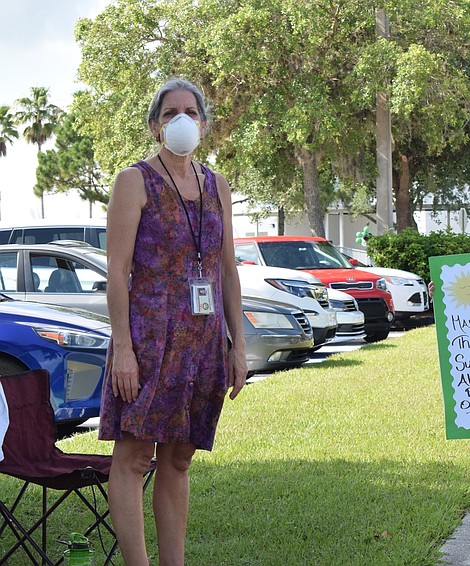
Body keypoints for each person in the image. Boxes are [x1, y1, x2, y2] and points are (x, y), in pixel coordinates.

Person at [99, 78, 248, 565]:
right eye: (169, 113)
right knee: (134, 457)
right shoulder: (134, 181)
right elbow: (117, 272)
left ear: (203, 124)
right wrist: (123, 348)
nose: (181, 119)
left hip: (202, 343)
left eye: (190, 112)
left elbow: (227, 270)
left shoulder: (217, 185)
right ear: (155, 126)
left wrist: (238, 347)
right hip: (147, 342)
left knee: (179, 459)